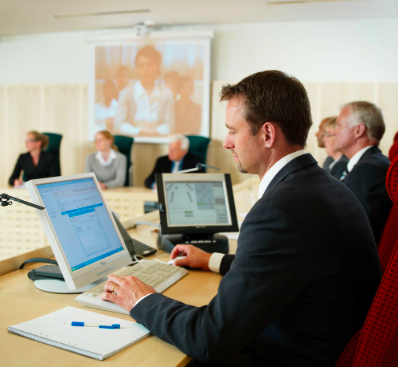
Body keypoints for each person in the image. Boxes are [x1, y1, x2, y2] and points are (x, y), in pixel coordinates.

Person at [102, 71, 381, 367]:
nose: (226, 143)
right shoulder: (325, 186)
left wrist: (141, 300)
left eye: (233, 131)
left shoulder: (278, 209)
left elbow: (209, 337)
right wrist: (211, 260)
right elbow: (289, 265)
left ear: (267, 134)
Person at [334, 101, 392, 245]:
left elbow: (348, 230)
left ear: (358, 131)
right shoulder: (371, 163)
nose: (334, 131)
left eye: (339, 124)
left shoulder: (368, 170)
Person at [114, 45, 175, 136]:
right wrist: (139, 131)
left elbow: (170, 125)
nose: (146, 69)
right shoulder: (126, 93)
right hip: (133, 142)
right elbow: (119, 124)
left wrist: (156, 131)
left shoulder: (166, 94)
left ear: (157, 67)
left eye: (150, 64)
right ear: (137, 69)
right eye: (141, 66)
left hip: (159, 142)